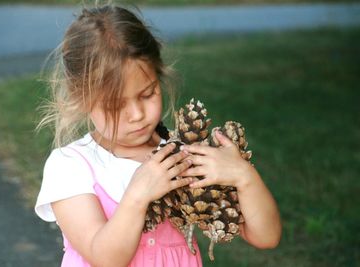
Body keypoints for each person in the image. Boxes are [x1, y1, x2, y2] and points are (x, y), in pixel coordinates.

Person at [34, 3, 281, 267]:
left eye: (148, 94)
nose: (137, 114)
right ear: (80, 97)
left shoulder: (182, 154)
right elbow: (104, 257)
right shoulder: (70, 167)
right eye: (115, 105)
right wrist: (137, 196)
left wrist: (243, 176)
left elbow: (266, 236)